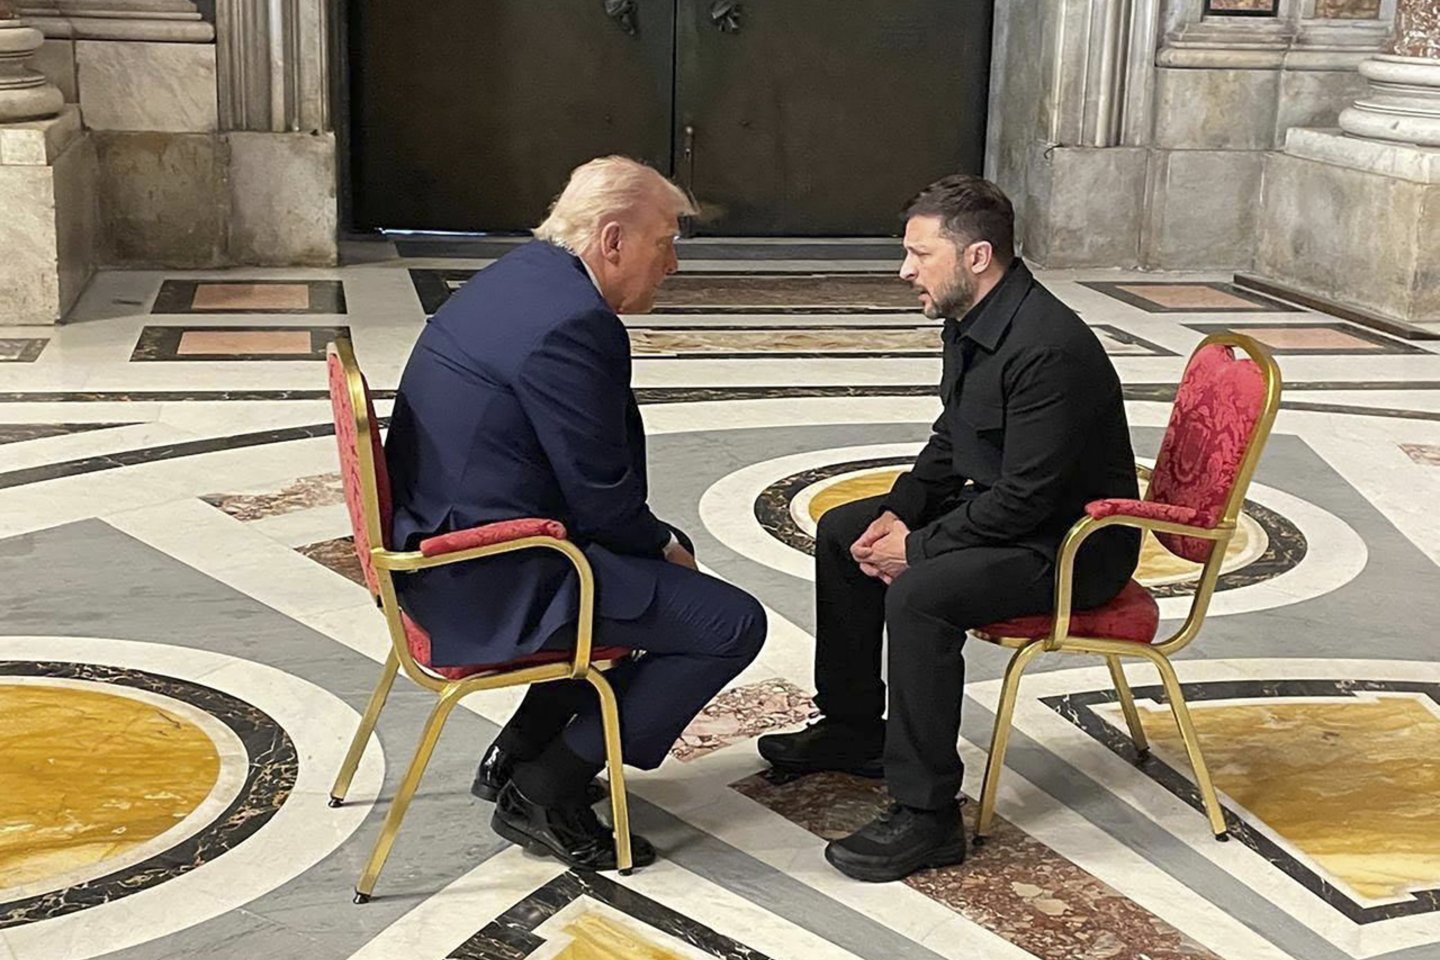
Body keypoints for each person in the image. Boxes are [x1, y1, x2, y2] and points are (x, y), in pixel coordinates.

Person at [386, 156, 767, 872]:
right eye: (664, 243)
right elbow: (600, 494)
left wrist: (654, 544)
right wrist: (661, 547)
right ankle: (545, 788)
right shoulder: (572, 322)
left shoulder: (519, 278)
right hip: (489, 572)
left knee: (657, 578)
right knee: (728, 624)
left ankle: (521, 750)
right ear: (613, 239)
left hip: (444, 543)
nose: (672, 264)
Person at [757, 174, 1141, 883]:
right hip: (1012, 515)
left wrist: (919, 548)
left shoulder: (1047, 349)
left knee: (921, 594)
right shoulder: (972, 319)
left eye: (919, 254)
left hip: (1071, 546)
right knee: (844, 530)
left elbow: (1028, 499)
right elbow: (953, 436)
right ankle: (853, 729)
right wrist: (900, 512)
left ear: (977, 256)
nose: (905, 271)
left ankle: (928, 814)